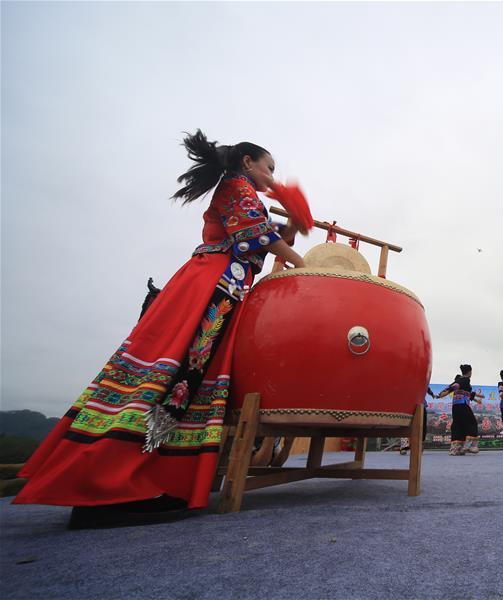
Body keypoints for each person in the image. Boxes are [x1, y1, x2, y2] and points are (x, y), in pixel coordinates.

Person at [14, 130, 309, 527]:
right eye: (268, 168)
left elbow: (266, 238)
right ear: (246, 163)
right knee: (174, 371)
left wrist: (294, 223)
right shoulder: (236, 186)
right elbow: (256, 236)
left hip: (221, 289)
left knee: (187, 375)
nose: (272, 176)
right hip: (209, 286)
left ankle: (144, 480)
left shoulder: (245, 194)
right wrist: (303, 263)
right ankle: (105, 486)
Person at [436, 365, 484, 455]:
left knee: (458, 425)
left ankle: (456, 449)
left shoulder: (461, 381)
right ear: (469, 372)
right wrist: (443, 393)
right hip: (462, 405)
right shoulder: (464, 380)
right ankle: (469, 446)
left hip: (456, 406)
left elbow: (467, 393)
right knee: (472, 422)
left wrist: (477, 400)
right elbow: (455, 386)